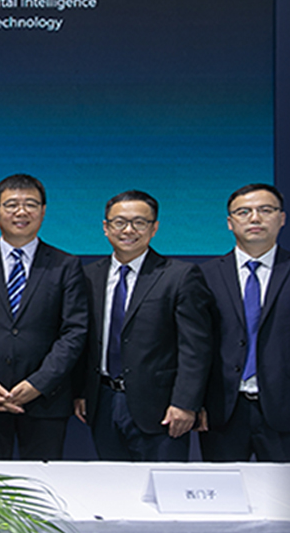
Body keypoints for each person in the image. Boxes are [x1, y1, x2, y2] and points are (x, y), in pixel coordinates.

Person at [197, 183, 290, 461]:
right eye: (243, 212)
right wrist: (194, 404)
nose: (255, 218)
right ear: (230, 222)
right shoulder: (205, 275)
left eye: (266, 210)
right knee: (224, 487)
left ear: (282, 218)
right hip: (223, 411)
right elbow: (196, 347)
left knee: (288, 488)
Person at [72, 190, 214, 462]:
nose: (129, 230)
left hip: (161, 408)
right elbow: (83, 340)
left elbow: (196, 347)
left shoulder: (179, 276)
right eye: (119, 222)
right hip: (102, 402)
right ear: (106, 228)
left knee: (163, 484)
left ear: (154, 228)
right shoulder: (88, 276)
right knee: (111, 482)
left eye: (139, 222)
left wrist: (185, 403)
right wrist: (81, 392)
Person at [0, 174, 89, 460]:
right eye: (11, 205)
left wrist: (38, 384)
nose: (21, 212)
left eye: (30, 204)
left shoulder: (66, 265)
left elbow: (74, 332)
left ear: (43, 211)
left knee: (43, 482)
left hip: (45, 401)